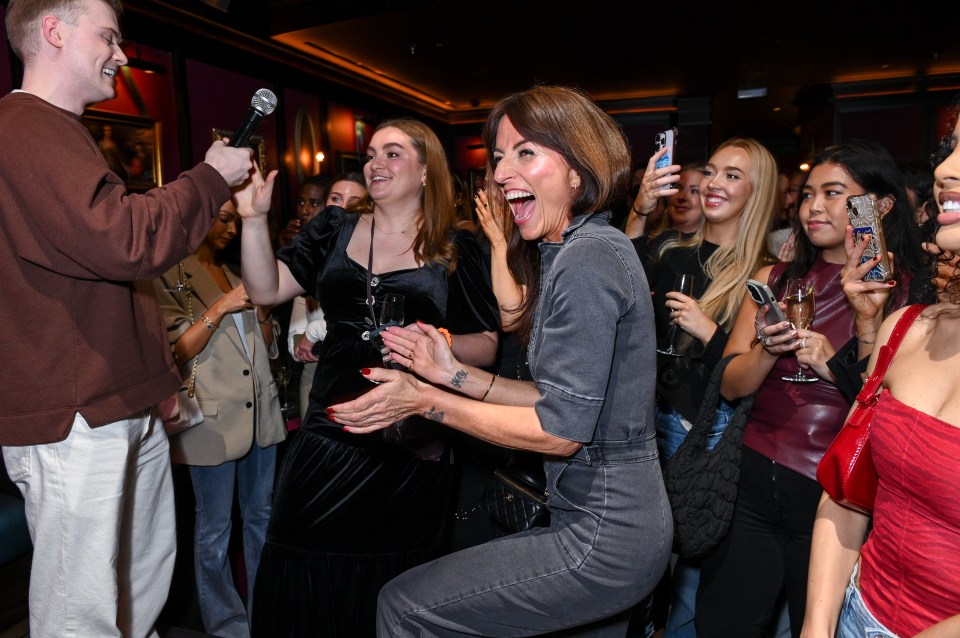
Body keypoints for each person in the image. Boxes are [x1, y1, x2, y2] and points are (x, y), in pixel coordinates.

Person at [326, 85, 672, 637]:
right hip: (610, 523)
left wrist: (426, 399)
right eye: (499, 157)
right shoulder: (577, 249)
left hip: (604, 534)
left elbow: (559, 433)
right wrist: (455, 375)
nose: (502, 172)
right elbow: (560, 401)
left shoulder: (587, 258)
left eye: (526, 152)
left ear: (579, 169)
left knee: (404, 606)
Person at [0, 1, 255, 636]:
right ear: (54, 32)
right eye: (109, 37)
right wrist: (211, 179)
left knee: (137, 587)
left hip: (114, 400)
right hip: (72, 410)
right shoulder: (24, 127)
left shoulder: (57, 133)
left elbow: (115, 282)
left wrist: (154, 384)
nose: (121, 54)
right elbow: (125, 241)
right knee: (79, 609)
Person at [238, 119, 499, 637]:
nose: (376, 163)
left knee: (391, 574)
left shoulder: (456, 248)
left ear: (426, 171)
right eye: (372, 153)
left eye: (394, 153)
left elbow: (487, 344)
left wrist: (436, 345)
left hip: (410, 438)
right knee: (298, 547)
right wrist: (252, 220)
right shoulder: (334, 227)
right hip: (331, 425)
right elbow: (266, 290)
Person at [695, 142, 920, 637]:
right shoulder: (773, 278)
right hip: (750, 482)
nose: (813, 207)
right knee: (724, 623)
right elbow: (731, 387)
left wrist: (831, 364)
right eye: (808, 195)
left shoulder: (904, 294)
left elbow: (894, 410)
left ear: (878, 207)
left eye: (834, 194)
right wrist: (768, 351)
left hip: (835, 497)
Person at [800, 123, 960, 638]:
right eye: (950, 150)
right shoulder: (907, 327)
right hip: (854, 610)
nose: (944, 171)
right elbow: (848, 489)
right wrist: (818, 627)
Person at [633, 138, 778, 638]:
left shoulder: (764, 273)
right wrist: (640, 208)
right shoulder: (671, 250)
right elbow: (619, 278)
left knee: (694, 564)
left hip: (706, 429)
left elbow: (747, 379)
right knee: (645, 555)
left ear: (757, 192)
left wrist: (707, 330)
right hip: (648, 421)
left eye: (734, 176)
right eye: (713, 172)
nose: (716, 184)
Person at [155, 199, 286, 638]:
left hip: (260, 413)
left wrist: (265, 314)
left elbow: (266, 347)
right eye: (224, 219)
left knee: (262, 520)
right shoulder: (167, 276)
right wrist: (222, 306)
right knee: (213, 530)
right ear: (199, 217)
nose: (231, 229)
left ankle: (265, 612)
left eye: (237, 220)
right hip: (211, 420)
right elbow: (174, 353)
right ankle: (227, 626)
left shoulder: (236, 271)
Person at [288, 172, 368, 417]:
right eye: (336, 198)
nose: (343, 208)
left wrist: (316, 331)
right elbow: (295, 345)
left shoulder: (375, 257)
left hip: (365, 375)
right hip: (316, 377)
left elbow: (371, 325)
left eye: (354, 201)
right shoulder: (311, 260)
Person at [277, 174, 331, 248]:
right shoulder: (297, 238)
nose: (303, 211)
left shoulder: (339, 243)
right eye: (301, 202)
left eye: (314, 204)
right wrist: (284, 247)